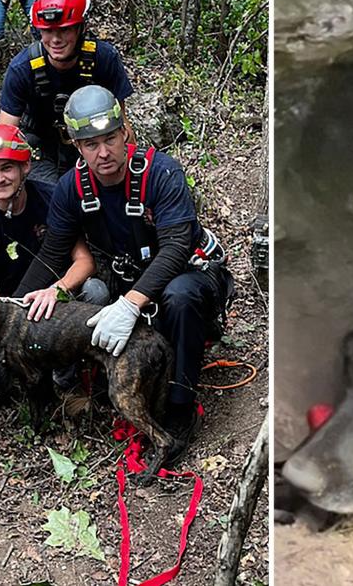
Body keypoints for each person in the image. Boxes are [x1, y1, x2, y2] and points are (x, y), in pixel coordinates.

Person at [13, 85, 232, 458]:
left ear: (124, 132)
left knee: (179, 297)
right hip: (131, 279)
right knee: (98, 299)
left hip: (191, 274)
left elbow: (177, 247)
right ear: (77, 147)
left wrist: (130, 305)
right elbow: (52, 252)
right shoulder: (72, 188)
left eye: (110, 140)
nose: (103, 153)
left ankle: (180, 407)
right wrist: (11, 306)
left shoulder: (161, 173)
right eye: (91, 144)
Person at [0, 123, 105, 410]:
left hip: (55, 305)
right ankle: (23, 369)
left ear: (25, 168)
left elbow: (85, 262)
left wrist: (54, 291)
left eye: (7, 168)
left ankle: (69, 375)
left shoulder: (51, 199)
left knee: (95, 292)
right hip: (7, 318)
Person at [0, 0, 136, 184]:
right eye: (47, 31)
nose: (55, 39)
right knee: (51, 198)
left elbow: (121, 123)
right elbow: (6, 133)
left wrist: (136, 175)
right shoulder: (22, 69)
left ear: (81, 28)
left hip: (92, 141)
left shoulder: (103, 59)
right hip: (40, 146)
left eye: (65, 30)